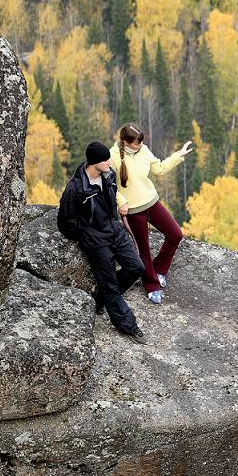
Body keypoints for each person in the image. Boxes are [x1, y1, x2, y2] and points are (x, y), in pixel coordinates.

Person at [57, 141, 145, 341]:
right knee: (110, 284)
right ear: (94, 162)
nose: (109, 162)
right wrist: (85, 234)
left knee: (136, 267)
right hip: (95, 240)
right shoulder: (76, 188)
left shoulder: (108, 176)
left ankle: (103, 298)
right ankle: (128, 326)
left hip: (114, 230)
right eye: (105, 159)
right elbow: (65, 222)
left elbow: (111, 202)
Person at [108, 124, 193, 305]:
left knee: (175, 234)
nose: (140, 145)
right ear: (125, 142)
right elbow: (108, 185)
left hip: (151, 202)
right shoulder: (112, 156)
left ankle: (159, 269)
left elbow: (159, 169)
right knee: (143, 250)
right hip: (132, 211)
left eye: (141, 142)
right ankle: (152, 285)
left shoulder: (144, 150)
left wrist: (178, 155)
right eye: (136, 143)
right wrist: (120, 201)